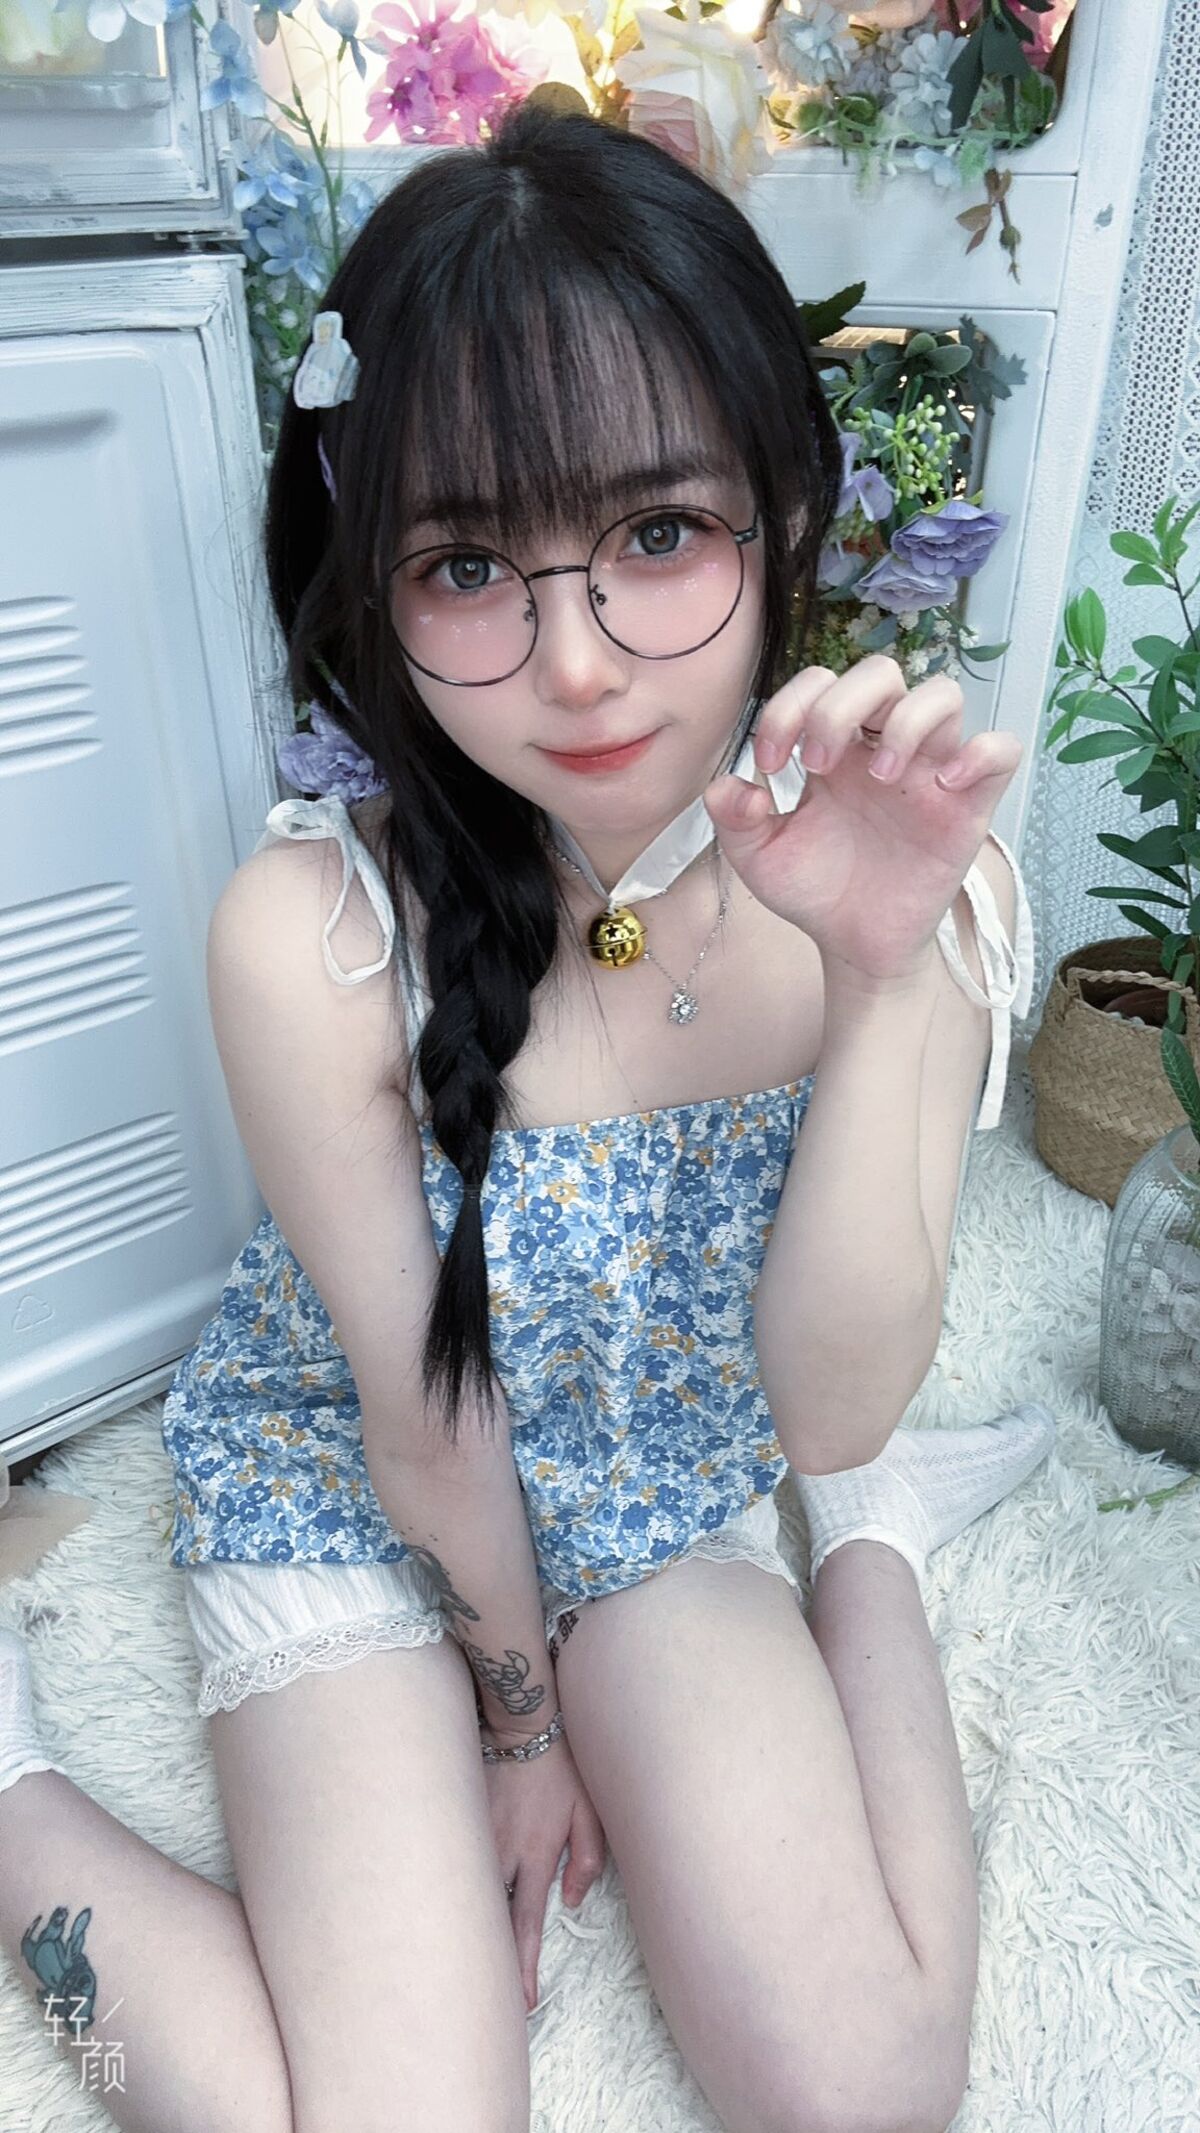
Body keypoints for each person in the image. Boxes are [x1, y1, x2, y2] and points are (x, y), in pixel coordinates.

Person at [0, 100, 1055, 2133]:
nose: (574, 665)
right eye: (472, 564)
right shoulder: (310, 936)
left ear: (786, 512)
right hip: (358, 1490)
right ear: (371, 577)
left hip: (664, 1481)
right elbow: (424, 1422)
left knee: (872, 2092)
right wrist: (519, 1722)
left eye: (658, 532)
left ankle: (887, 1559)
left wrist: (876, 977)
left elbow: (828, 1405)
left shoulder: (914, 879)